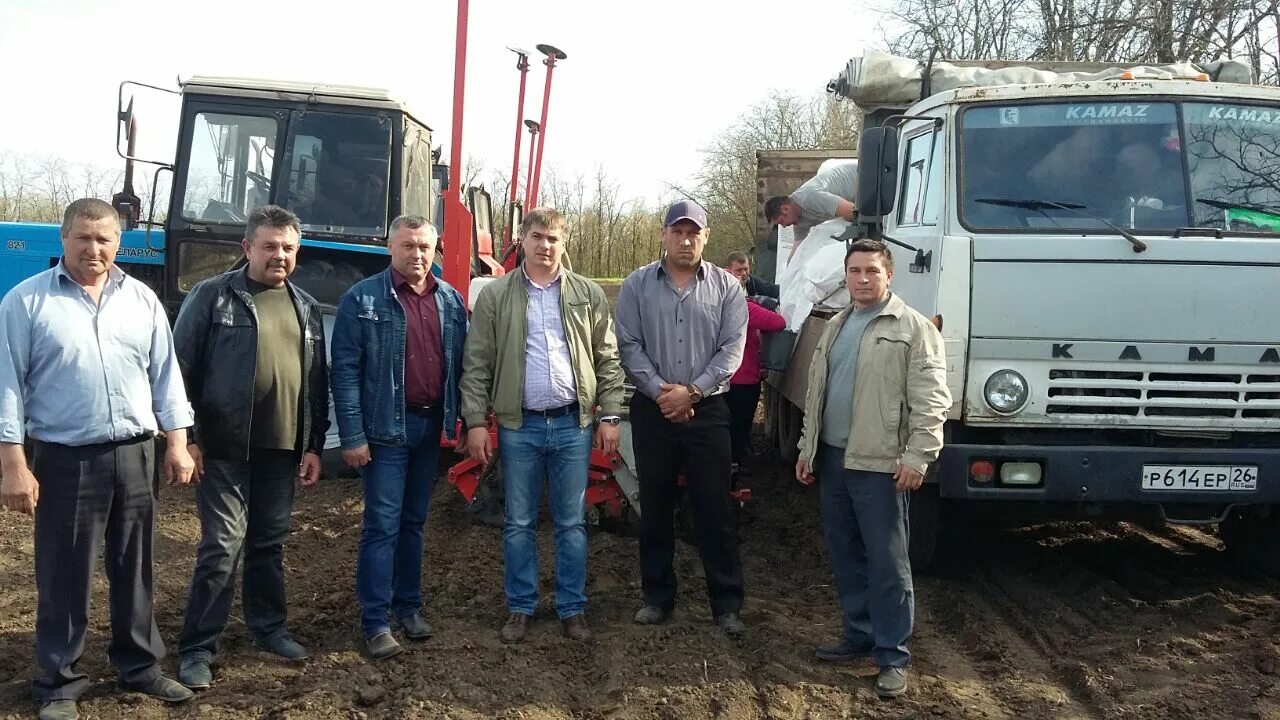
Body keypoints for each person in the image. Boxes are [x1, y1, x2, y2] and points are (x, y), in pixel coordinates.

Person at [0, 198, 197, 720]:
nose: (94, 248)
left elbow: (165, 375)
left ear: (118, 243)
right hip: (65, 458)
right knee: (64, 571)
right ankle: (59, 682)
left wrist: (176, 441)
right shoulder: (26, 303)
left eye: (105, 239)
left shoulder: (142, 301)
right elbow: (7, 388)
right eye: (83, 238)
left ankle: (141, 666)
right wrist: (13, 463)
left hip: (135, 454)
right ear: (63, 239)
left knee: (135, 567)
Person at [172, 205, 330, 689]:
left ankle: (269, 628)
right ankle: (198, 647)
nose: (278, 255)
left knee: (268, 544)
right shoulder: (212, 297)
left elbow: (315, 382)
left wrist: (314, 445)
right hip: (223, 446)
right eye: (269, 246)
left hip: (281, 450)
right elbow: (178, 370)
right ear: (247, 248)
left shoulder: (305, 306)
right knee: (221, 546)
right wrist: (188, 438)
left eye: (287, 248)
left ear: (296, 253)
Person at [460, 206, 625, 644]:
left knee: (571, 521)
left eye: (553, 238)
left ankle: (572, 607)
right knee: (519, 522)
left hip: (574, 424)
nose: (544, 245)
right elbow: (477, 362)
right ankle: (520, 606)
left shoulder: (586, 294)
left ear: (562, 243)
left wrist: (608, 415)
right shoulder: (498, 296)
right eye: (536, 237)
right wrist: (476, 421)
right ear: (524, 243)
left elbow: (607, 360)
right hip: (520, 426)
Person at [794, 239, 950, 699]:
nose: (862, 279)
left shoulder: (913, 328)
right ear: (846, 276)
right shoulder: (837, 323)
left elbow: (931, 402)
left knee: (888, 564)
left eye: (871, 272)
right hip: (834, 460)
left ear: (889, 276)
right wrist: (808, 449)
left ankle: (892, 655)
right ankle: (858, 634)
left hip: (880, 467)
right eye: (855, 271)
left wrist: (918, 457)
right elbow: (817, 392)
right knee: (846, 555)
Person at [330, 215, 467, 661]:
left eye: (425, 246)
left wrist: (462, 423)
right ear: (390, 248)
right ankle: (375, 621)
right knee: (382, 525)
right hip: (386, 429)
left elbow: (462, 369)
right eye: (408, 245)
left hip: (429, 427)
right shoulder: (364, 299)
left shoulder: (450, 301)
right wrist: (352, 434)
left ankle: (408, 607)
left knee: (413, 522)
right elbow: (346, 372)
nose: (417, 254)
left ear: (436, 249)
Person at [615, 199, 749, 637]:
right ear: (664, 234)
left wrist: (691, 392)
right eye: (678, 231)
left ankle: (725, 603)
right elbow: (629, 346)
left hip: (706, 411)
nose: (685, 239)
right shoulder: (636, 285)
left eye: (694, 232)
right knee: (653, 507)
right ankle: (657, 597)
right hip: (652, 410)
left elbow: (732, 350)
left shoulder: (728, 289)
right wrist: (661, 392)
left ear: (705, 237)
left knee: (714, 507)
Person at [723, 253, 787, 481]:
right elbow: (778, 322)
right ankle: (733, 468)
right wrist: (756, 302)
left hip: (721, 379)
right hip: (743, 378)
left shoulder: (715, 304)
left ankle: (727, 465)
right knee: (739, 427)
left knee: (725, 426)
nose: (744, 276)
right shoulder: (743, 307)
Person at [765, 159, 858, 248]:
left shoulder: (809, 197)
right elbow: (797, 249)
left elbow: (852, 212)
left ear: (785, 209)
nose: (784, 226)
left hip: (863, 176)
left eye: (782, 221)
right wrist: (790, 264)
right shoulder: (799, 221)